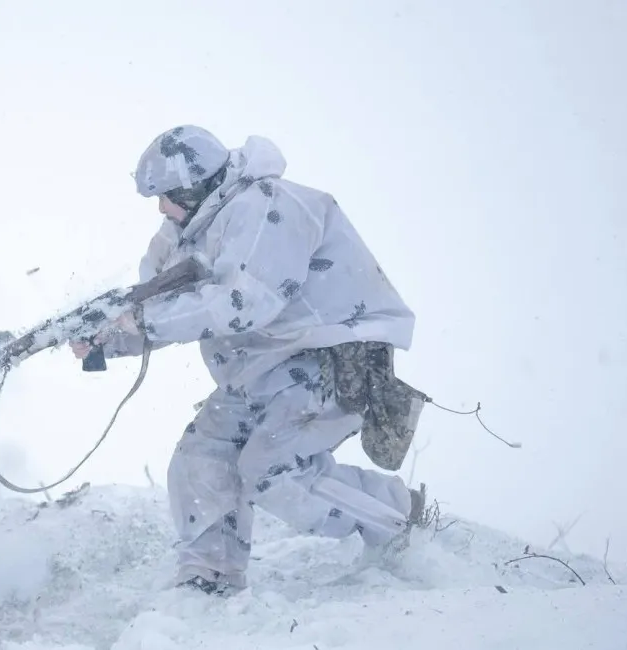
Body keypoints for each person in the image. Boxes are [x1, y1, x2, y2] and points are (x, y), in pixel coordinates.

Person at [70, 125, 427, 596]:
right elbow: (156, 307)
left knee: (273, 471)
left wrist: (139, 323)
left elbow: (241, 304)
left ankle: (402, 524)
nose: (160, 208)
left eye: (166, 195)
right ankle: (209, 577)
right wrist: (105, 337)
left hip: (332, 353)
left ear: (193, 185)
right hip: (261, 368)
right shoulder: (183, 232)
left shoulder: (267, 206)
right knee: (201, 458)